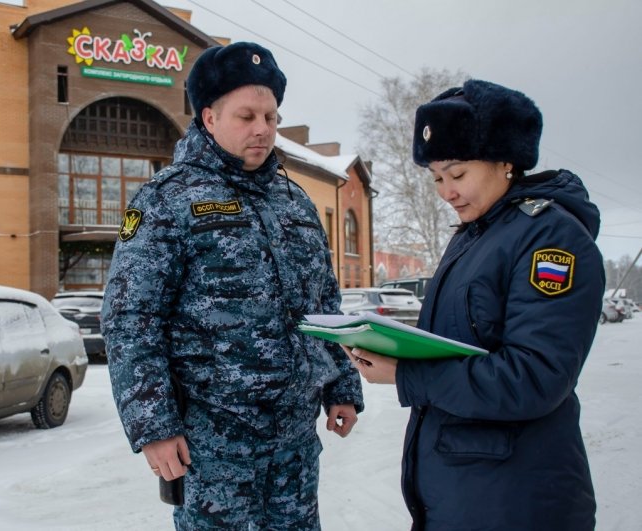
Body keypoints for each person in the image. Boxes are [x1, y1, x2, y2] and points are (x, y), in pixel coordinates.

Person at [101, 41, 364, 530]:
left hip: (295, 445)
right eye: (246, 116)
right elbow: (130, 318)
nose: (263, 129)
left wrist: (341, 386)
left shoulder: (295, 203)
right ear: (208, 117)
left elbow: (324, 302)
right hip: (213, 448)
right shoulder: (166, 200)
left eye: (271, 116)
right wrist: (154, 427)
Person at [345, 79, 603, 530]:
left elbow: (535, 377)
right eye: (437, 178)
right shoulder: (473, 236)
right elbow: (453, 346)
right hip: (463, 496)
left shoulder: (551, 239)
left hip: (517, 502)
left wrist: (407, 375)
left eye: (458, 174)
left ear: (505, 161)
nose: (446, 192)